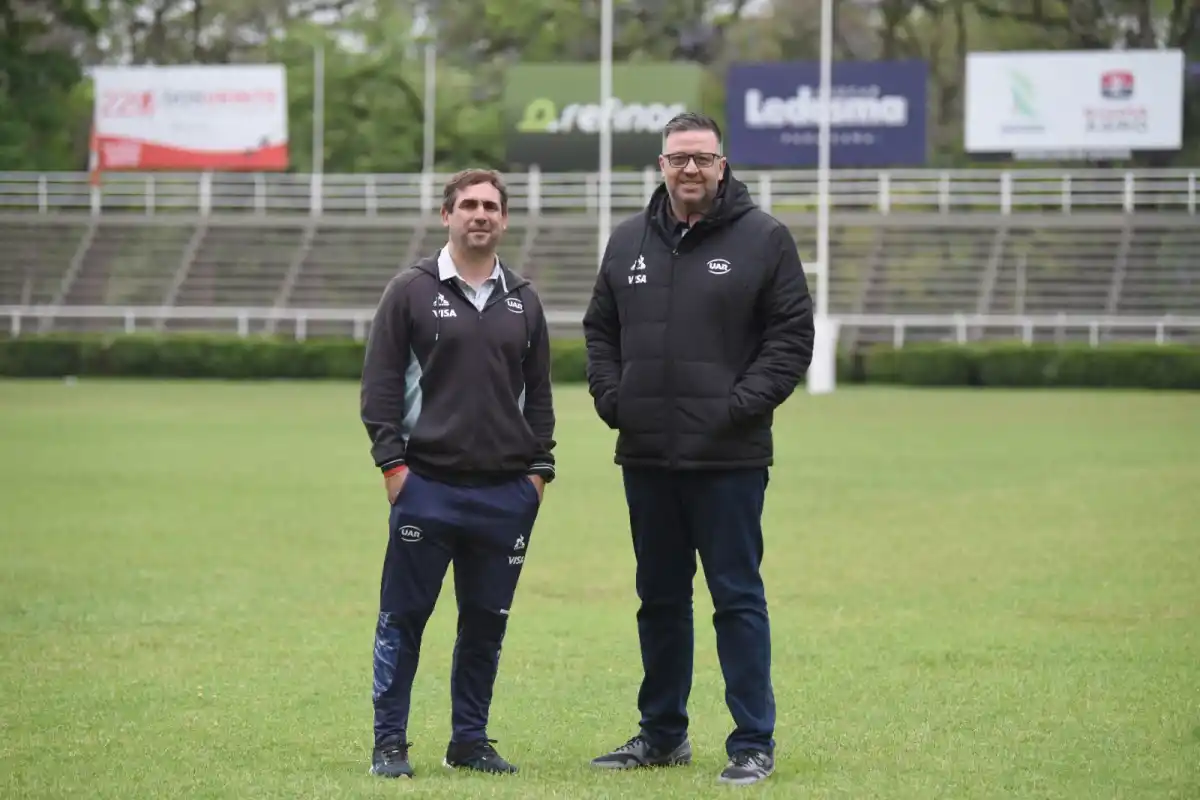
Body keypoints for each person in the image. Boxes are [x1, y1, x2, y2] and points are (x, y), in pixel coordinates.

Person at [582, 112, 814, 786]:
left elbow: (791, 337)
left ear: (722, 165)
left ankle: (752, 742)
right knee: (658, 599)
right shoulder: (627, 241)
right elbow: (600, 331)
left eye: (702, 159)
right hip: (647, 456)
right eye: (678, 159)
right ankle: (662, 735)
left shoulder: (765, 239)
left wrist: (737, 409)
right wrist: (613, 399)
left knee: (736, 598)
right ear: (661, 165)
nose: (690, 170)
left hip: (730, 459)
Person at [359, 168, 556, 780]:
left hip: (505, 494)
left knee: (485, 625)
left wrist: (538, 473)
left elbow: (541, 393)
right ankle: (390, 743)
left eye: (491, 206)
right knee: (404, 620)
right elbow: (380, 388)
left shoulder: (523, 297)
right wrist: (394, 468)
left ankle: (468, 741)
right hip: (427, 489)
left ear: (504, 219)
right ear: (446, 215)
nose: (480, 214)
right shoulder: (411, 290)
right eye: (468, 204)